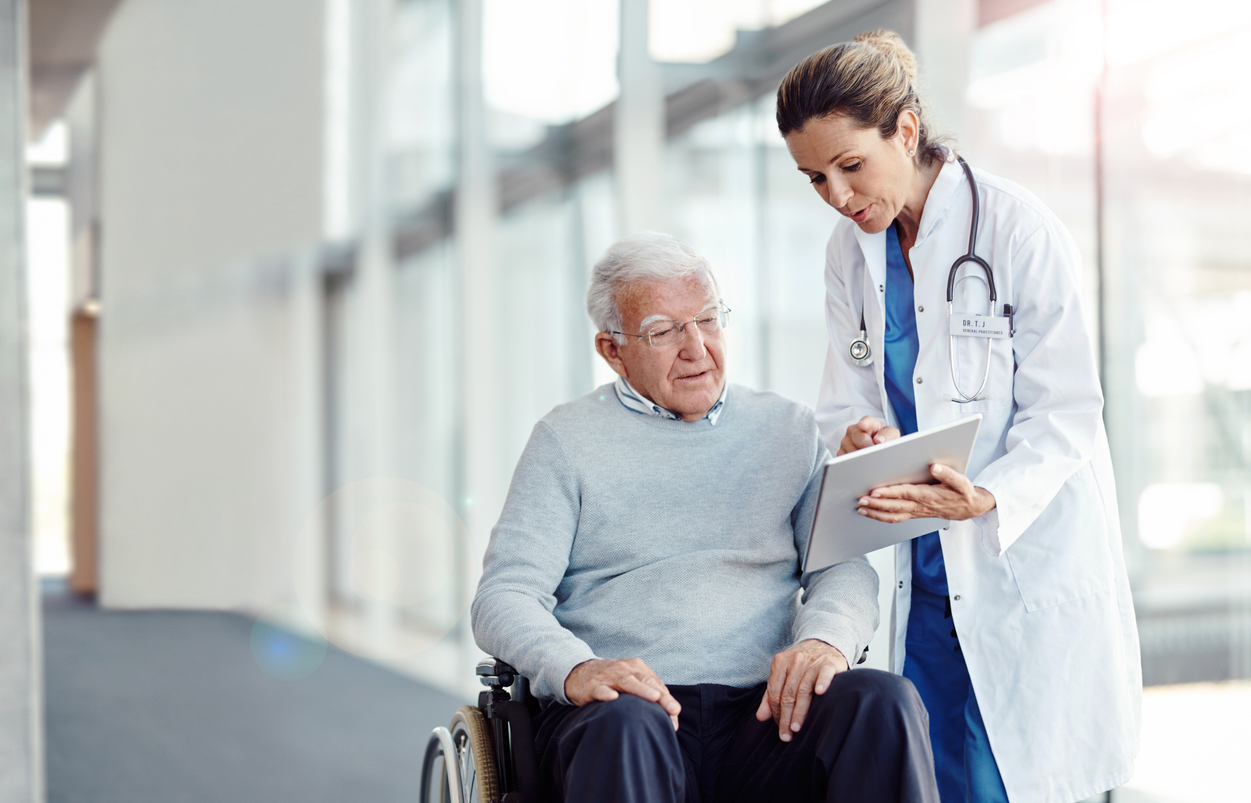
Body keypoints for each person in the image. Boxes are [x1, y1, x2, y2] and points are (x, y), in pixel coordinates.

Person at [774, 30, 1142, 803]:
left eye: (849, 166)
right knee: (933, 776)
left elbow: (1068, 409)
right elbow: (844, 396)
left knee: (1007, 774)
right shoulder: (850, 253)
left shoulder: (1015, 228)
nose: (837, 197)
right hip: (925, 571)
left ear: (904, 131)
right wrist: (857, 433)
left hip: (1018, 558)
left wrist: (989, 494)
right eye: (813, 178)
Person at [472, 231, 939, 803]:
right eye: (664, 331)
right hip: (632, 713)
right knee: (625, 723)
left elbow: (841, 564)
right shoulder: (565, 440)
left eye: (708, 320)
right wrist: (577, 669)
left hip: (766, 713)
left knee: (881, 700)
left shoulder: (788, 430)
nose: (696, 347)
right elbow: (504, 596)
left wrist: (826, 641)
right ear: (612, 350)